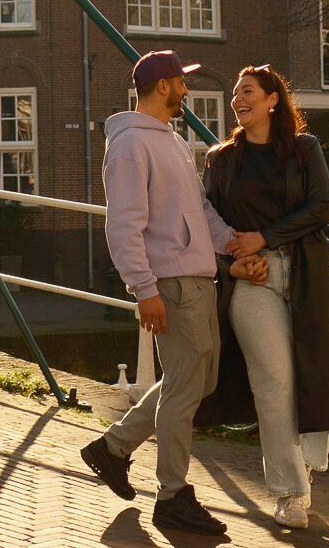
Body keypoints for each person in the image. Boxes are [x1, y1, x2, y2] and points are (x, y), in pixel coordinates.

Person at [79, 50, 237, 536]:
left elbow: (199, 210)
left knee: (195, 383)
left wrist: (231, 242)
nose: (186, 90)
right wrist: (144, 289)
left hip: (197, 279)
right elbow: (123, 225)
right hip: (172, 283)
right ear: (163, 86)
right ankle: (172, 497)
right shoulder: (130, 144)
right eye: (181, 82)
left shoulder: (171, 140)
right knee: (185, 388)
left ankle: (113, 448)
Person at [196, 64, 329, 530]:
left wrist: (264, 237)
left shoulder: (305, 149)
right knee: (274, 382)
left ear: (272, 100)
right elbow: (207, 223)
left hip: (304, 275)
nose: (237, 100)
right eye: (234, 94)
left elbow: (321, 206)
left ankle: (302, 469)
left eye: (247, 91)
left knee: (313, 373)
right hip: (252, 282)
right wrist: (237, 260)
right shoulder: (221, 160)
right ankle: (288, 495)